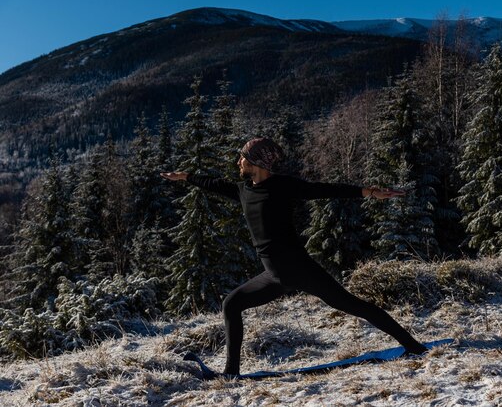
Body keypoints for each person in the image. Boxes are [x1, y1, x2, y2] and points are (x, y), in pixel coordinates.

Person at [161, 137, 427, 376]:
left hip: (298, 268)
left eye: (242, 157)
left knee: (353, 305)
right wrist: (186, 176)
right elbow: (214, 185)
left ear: (256, 162)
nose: (238, 161)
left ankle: (413, 346)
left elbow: (323, 189)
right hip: (274, 275)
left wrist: (368, 192)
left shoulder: (283, 187)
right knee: (231, 304)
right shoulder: (243, 191)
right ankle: (231, 373)